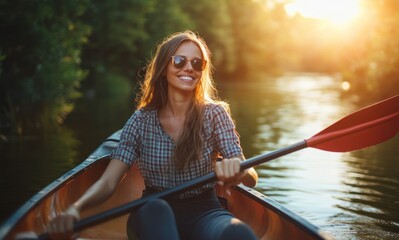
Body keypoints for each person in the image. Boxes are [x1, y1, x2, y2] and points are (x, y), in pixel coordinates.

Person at [47, 30, 259, 240]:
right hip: (152, 210)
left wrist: (239, 170)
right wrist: (75, 208)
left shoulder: (215, 114)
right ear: (164, 67)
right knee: (157, 210)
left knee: (236, 232)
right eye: (179, 61)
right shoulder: (141, 121)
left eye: (197, 63)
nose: (189, 68)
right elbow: (108, 182)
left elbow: (250, 177)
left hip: (205, 210)